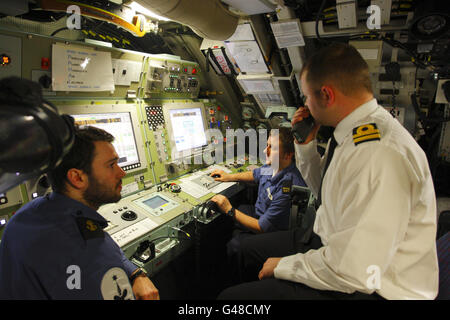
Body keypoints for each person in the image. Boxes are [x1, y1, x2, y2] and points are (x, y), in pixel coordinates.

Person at [218, 42, 439, 300]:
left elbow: (352, 270)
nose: (305, 106)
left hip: (373, 287)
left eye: (307, 97)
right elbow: (324, 190)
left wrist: (283, 266)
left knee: (230, 299)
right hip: (333, 243)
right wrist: (306, 146)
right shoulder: (351, 132)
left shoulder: (377, 154)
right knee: (241, 250)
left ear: (327, 94)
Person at [0, 126, 159, 300]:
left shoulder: (30, 213)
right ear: (77, 178)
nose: (122, 172)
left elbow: (104, 247)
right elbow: (95, 256)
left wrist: (135, 273)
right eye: (111, 165)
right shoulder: (89, 257)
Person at [208, 127, 306, 280]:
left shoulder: (287, 187)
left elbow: (262, 227)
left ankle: (235, 280)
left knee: (236, 246)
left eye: (272, 148)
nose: (265, 151)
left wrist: (229, 209)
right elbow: (254, 174)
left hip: (272, 232)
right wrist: (229, 177)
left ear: (288, 155)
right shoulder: (274, 167)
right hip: (259, 214)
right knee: (235, 215)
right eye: (267, 145)